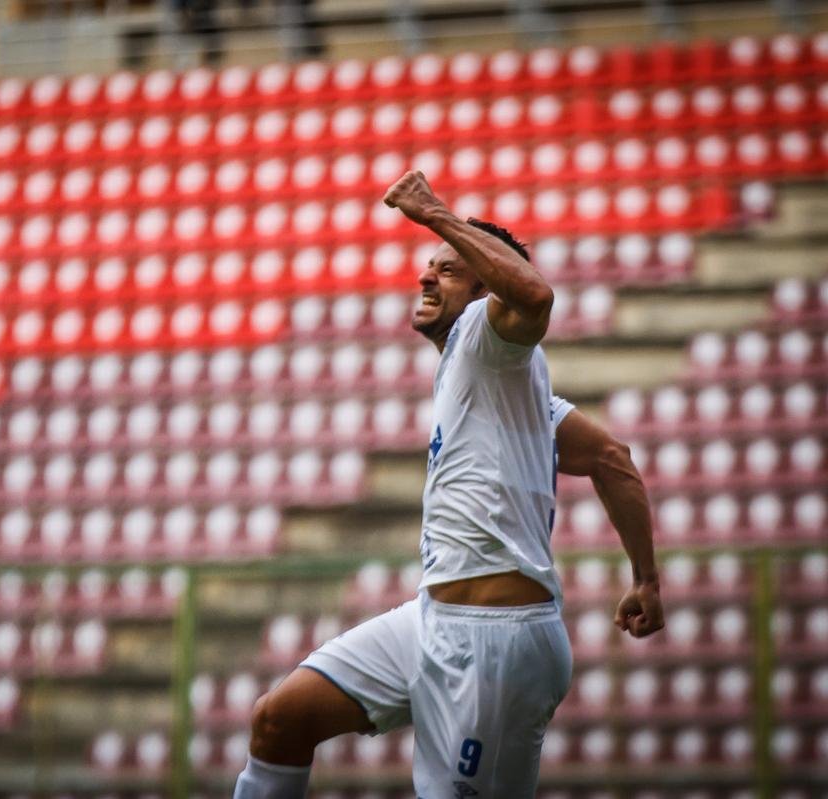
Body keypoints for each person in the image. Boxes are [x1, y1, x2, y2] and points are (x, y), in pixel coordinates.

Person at [232, 172, 665, 798]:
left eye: (449, 269)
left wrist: (434, 212)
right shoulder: (516, 391)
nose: (425, 277)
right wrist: (646, 579)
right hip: (436, 619)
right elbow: (612, 459)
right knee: (280, 720)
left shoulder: (485, 340)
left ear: (489, 293)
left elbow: (537, 297)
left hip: (495, 645)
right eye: (429, 266)